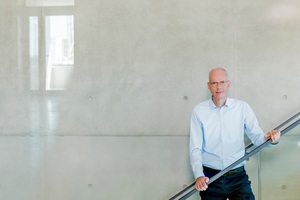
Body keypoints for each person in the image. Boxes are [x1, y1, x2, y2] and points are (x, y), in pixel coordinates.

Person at [189, 68, 280, 200]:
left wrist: (271, 138)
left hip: (237, 177)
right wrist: (198, 175)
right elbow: (195, 148)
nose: (218, 87)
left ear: (228, 84)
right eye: (214, 83)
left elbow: (257, 137)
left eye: (222, 82)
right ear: (208, 86)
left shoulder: (242, 108)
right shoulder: (199, 111)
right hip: (210, 178)